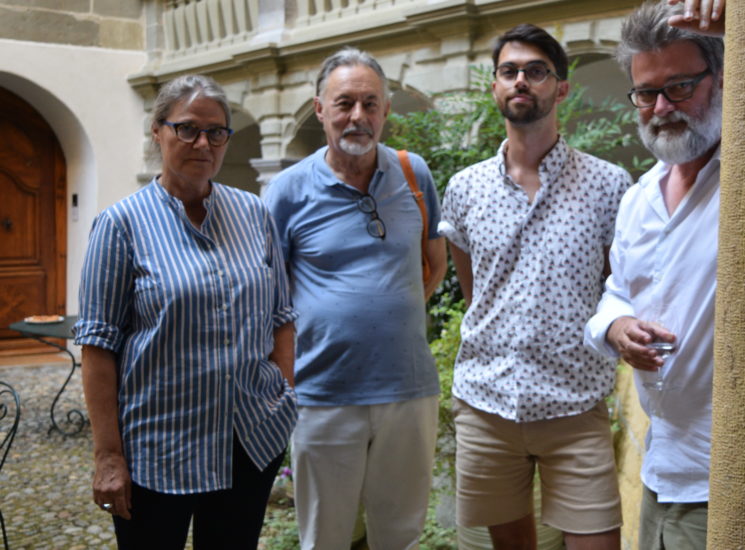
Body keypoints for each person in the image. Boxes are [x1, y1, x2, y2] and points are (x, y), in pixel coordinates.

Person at [75, 74, 298, 549]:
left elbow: (281, 315)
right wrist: (109, 457)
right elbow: (98, 347)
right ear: (157, 131)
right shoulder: (120, 225)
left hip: (248, 440)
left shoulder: (254, 214)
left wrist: (283, 395)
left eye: (217, 132)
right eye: (188, 129)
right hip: (159, 449)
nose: (203, 143)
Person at [439, 24, 633, 550]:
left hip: (575, 404)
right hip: (487, 402)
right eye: (510, 71)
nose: (521, 80)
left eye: (536, 71)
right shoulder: (465, 188)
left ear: (560, 87)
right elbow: (474, 285)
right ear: (496, 86)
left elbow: (619, 288)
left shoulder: (609, 184)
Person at [263, 47, 447, 550]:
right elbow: (269, 297)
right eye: (345, 103)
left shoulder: (415, 174)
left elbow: (435, 264)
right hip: (323, 395)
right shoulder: (286, 192)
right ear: (320, 109)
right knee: (325, 537)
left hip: (409, 390)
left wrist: (386, 317)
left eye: (371, 103)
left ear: (386, 110)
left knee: (400, 535)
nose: (358, 117)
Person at [584, 1, 725, 549]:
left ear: (720, 79)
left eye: (681, 87)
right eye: (647, 92)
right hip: (660, 467)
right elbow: (617, 291)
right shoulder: (638, 198)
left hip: (726, 476)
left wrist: (738, 31)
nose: (662, 107)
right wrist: (616, 327)